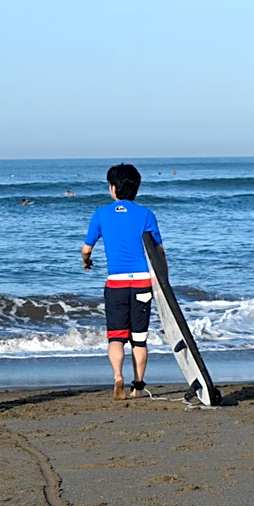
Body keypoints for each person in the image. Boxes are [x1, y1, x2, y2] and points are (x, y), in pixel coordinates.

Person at [81, 164, 163, 400]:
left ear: (113, 188)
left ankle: (118, 377)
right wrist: (163, 280)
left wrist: (87, 262)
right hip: (141, 283)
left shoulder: (101, 214)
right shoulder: (146, 214)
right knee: (139, 339)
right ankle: (138, 386)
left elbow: (86, 249)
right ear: (136, 188)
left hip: (116, 283)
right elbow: (158, 251)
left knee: (116, 337)